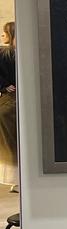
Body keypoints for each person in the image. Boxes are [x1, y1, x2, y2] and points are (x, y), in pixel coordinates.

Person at [0, 21, 17, 192]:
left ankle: (16, 179)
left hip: (9, 102)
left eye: (5, 33)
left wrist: (4, 86)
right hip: (11, 101)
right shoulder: (7, 53)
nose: (2, 36)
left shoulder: (7, 53)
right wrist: (4, 86)